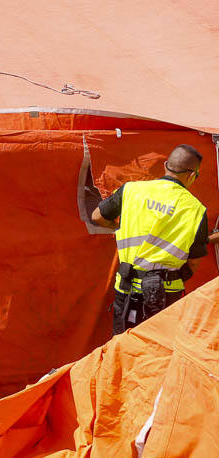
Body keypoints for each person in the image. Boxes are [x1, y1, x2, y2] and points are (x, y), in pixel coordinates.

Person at [91, 144, 209, 336]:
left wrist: (119, 229)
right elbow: (194, 262)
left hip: (127, 288)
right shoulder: (196, 209)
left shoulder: (131, 191)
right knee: (158, 352)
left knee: (122, 349)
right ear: (191, 175)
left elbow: (97, 216)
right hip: (167, 294)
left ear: (165, 165)